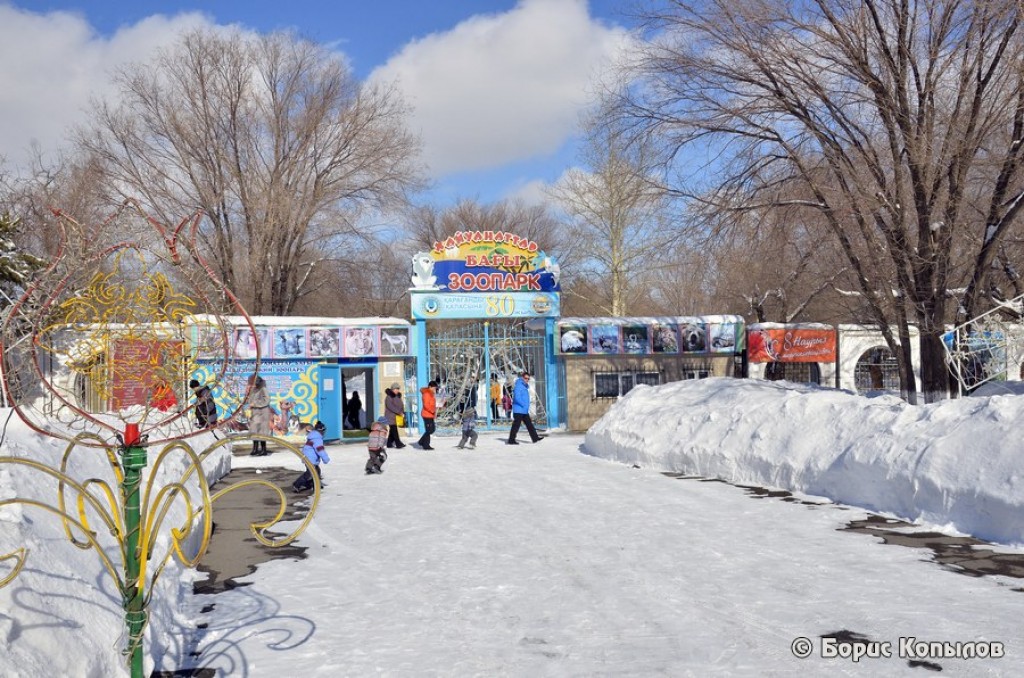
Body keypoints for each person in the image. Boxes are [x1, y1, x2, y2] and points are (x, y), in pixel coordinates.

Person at [507, 371, 545, 445]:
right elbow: (517, 398)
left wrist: (525, 406)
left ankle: (535, 438)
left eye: (528, 379)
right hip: (519, 409)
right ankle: (511, 440)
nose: (527, 380)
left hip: (523, 410)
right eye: (525, 378)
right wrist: (523, 404)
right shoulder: (519, 386)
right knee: (516, 425)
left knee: (529, 424)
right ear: (522, 378)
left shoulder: (523, 386)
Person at [293, 421, 330, 491]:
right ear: (321, 431)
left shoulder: (313, 436)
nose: (324, 433)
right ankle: (297, 485)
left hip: (308, 457)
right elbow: (320, 450)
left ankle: (316, 484)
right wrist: (325, 458)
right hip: (310, 459)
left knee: (317, 471)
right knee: (310, 473)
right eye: (323, 431)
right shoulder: (317, 438)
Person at [247, 374, 272, 456]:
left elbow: (266, 400)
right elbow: (251, 400)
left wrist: (255, 404)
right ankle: (255, 449)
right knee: (254, 431)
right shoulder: (254, 390)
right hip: (255, 413)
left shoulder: (263, 389)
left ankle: (263, 450)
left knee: (262, 432)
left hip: (262, 413)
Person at [384, 383, 407, 449]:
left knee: (392, 431)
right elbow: (390, 406)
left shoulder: (398, 396)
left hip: (397, 416)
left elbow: (401, 405)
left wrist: (402, 412)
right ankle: (398, 443)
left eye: (398, 389)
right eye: (396, 389)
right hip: (390, 416)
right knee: (394, 430)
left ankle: (389, 443)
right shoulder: (389, 397)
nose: (397, 390)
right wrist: (399, 412)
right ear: (392, 389)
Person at [417, 380, 438, 450]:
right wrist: (432, 410)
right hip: (427, 414)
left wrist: (434, 412)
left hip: (430, 414)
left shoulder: (431, 394)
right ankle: (425, 445)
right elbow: (426, 405)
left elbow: (432, 404)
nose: (435, 389)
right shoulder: (426, 394)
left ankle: (421, 441)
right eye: (434, 388)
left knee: (431, 429)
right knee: (429, 430)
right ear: (430, 387)